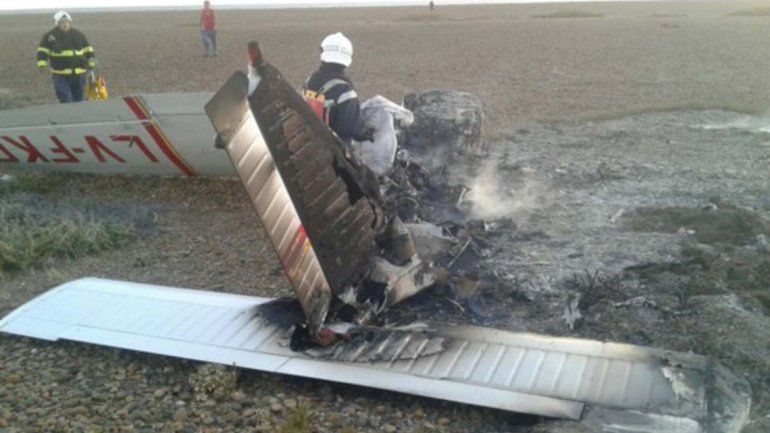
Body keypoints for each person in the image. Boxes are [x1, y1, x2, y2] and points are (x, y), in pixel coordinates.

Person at [302, 32, 374, 148]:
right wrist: (365, 133)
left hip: (309, 142)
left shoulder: (309, 80)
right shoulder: (345, 90)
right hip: (334, 153)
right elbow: (351, 128)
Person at [36, 11, 97, 103]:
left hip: (79, 73)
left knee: (79, 100)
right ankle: (68, 115)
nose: (65, 24)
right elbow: (42, 51)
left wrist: (91, 60)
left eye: (67, 22)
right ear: (57, 23)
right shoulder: (49, 36)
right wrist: (42, 64)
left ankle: (79, 116)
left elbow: (88, 50)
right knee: (64, 97)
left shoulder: (78, 35)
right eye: (62, 22)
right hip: (60, 74)